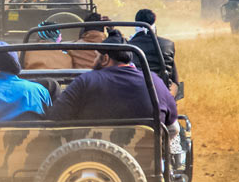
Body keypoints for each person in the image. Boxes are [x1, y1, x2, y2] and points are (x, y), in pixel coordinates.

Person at [44, 32, 177, 125]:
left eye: (96, 56)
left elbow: (57, 118)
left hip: (88, 160)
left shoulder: (85, 82)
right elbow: (171, 120)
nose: (93, 61)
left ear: (105, 58)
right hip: (147, 161)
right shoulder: (154, 81)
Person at [129, 8, 179, 95]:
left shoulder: (128, 46)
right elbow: (173, 77)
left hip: (134, 90)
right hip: (162, 91)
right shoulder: (167, 44)